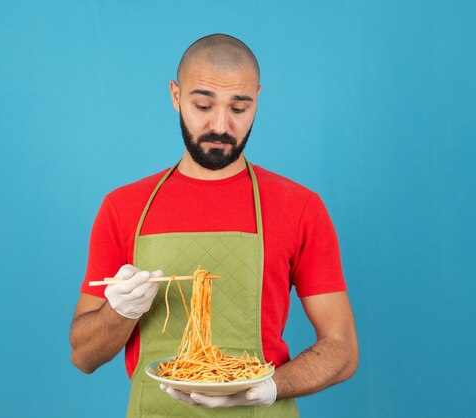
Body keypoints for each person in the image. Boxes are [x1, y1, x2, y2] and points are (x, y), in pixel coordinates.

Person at [70, 33, 358, 417]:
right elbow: (83, 357)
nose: (220, 125)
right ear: (175, 96)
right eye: (203, 105)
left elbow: (342, 349)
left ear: (258, 100)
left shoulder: (299, 207)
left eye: (239, 109)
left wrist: (269, 388)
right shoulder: (124, 207)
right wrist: (120, 311)